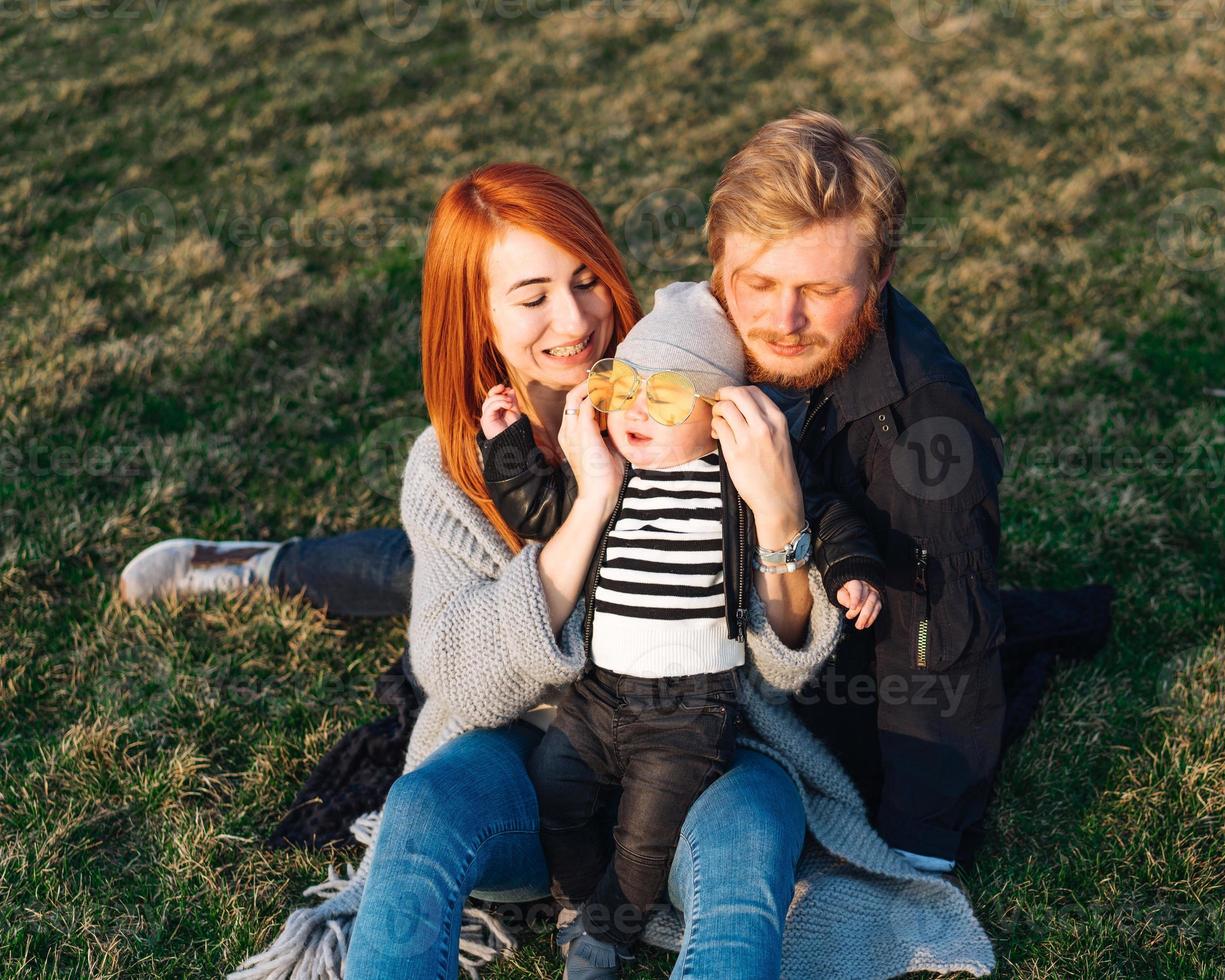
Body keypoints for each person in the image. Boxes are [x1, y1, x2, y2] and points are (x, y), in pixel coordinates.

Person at [227, 158, 998, 980]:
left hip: (699, 750)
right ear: (477, 319)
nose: (575, 316)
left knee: (758, 825)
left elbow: (783, 667)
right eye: (532, 298)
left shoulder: (692, 395)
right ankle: (255, 566)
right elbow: (456, 680)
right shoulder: (452, 466)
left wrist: (780, 525)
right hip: (529, 779)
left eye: (588, 278)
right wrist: (592, 502)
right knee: (420, 805)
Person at [480, 281, 883, 977]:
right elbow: (541, 513)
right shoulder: (610, 472)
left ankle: (608, 936)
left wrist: (851, 569)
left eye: (664, 398)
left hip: (690, 709)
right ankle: (580, 900)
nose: (635, 409)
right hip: (599, 692)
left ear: (720, 416)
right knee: (556, 789)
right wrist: (509, 446)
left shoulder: (737, 475)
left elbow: (824, 512)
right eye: (624, 386)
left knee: (647, 835)